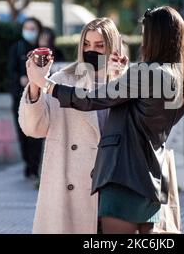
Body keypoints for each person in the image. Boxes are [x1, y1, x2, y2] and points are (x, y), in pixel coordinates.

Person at [25, 6, 184, 234]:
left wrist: (45, 83)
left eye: (146, 34)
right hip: (150, 177)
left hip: (123, 176)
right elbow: (139, 110)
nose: (143, 41)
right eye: (86, 44)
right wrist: (123, 75)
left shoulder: (145, 73)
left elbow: (90, 100)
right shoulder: (181, 77)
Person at [18, 18, 127, 233]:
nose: (91, 51)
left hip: (115, 185)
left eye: (99, 46)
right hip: (71, 191)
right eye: (86, 44)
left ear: (113, 47)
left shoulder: (127, 82)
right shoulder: (63, 81)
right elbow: (33, 128)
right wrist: (35, 84)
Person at [8, 17, 44, 179]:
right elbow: (10, 71)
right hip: (19, 97)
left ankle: (35, 165)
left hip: (40, 98)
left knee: (36, 132)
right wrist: (21, 78)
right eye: (27, 28)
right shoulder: (17, 48)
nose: (30, 31)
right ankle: (28, 164)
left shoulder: (43, 49)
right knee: (22, 132)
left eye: (33, 28)